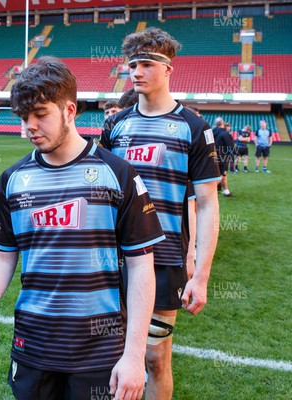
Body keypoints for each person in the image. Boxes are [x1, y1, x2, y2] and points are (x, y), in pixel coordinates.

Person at [0, 56, 165, 400]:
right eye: (24, 118)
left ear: (69, 111)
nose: (29, 126)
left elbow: (141, 266)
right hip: (34, 344)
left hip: (99, 349)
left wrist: (134, 355)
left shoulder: (118, 174)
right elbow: (1, 258)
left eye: (40, 115)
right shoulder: (13, 180)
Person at [101, 27, 220, 400]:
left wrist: (200, 275)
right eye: (132, 64)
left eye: (147, 64)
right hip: (112, 257)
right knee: (109, 352)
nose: (136, 71)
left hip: (165, 260)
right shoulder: (116, 125)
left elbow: (207, 204)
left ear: (169, 70)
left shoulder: (194, 128)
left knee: (154, 357)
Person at [213, 117, 236, 197]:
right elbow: (231, 146)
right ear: (223, 124)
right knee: (222, 175)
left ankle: (226, 191)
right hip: (223, 157)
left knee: (221, 174)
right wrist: (236, 153)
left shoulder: (211, 132)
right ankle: (208, 191)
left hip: (211, 155)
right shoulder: (225, 133)